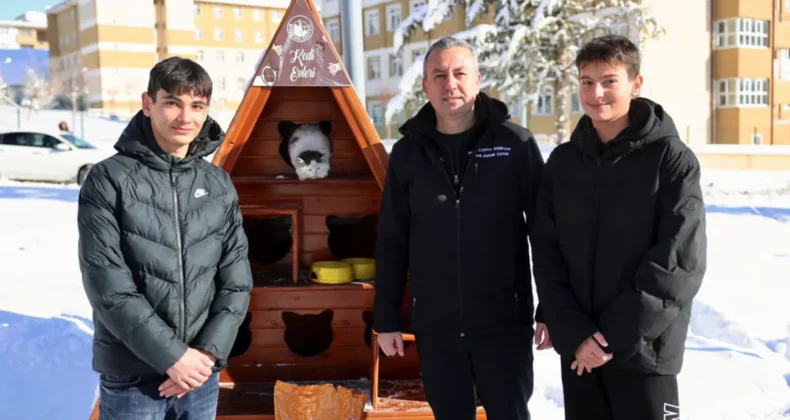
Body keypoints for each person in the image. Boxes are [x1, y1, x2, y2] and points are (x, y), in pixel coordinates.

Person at [531, 35, 707, 420]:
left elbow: (678, 263)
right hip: (581, 352)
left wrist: (609, 338)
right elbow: (547, 253)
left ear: (635, 84)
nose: (597, 93)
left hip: (645, 352)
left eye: (609, 80)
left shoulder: (671, 160)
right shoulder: (562, 164)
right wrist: (574, 332)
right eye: (586, 81)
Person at [373, 36, 549, 420]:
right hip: (438, 328)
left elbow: (545, 233)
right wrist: (385, 319)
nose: (449, 83)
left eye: (458, 73)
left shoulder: (514, 144)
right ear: (425, 86)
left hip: (504, 324)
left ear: (477, 79)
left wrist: (549, 307)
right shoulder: (407, 153)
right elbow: (392, 239)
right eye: (438, 75)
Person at [77, 56, 253, 419]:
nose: (185, 117)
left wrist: (204, 355)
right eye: (172, 102)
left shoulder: (217, 183)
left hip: (200, 374)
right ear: (148, 103)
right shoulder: (108, 179)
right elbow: (106, 283)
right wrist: (173, 357)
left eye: (197, 105)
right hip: (134, 375)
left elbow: (236, 281)